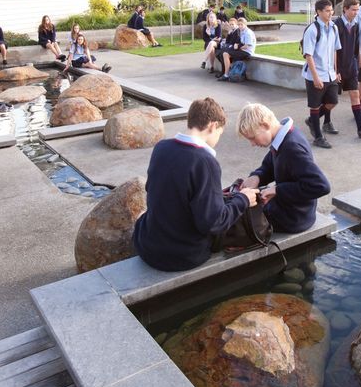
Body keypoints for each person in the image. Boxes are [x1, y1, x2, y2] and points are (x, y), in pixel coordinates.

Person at [132, 97, 259, 271]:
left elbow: (155, 190)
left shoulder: (161, 147)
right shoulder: (205, 162)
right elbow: (213, 223)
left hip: (147, 245)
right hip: (182, 256)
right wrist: (242, 200)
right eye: (219, 133)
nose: (218, 139)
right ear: (213, 126)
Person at [237, 103, 331, 233]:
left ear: (265, 125)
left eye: (253, 138)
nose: (252, 144)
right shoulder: (282, 136)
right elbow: (269, 165)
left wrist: (278, 190)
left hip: (294, 218)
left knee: (237, 218)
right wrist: (257, 177)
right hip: (291, 209)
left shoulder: (291, 147)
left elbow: (320, 185)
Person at [334, 0, 361, 138]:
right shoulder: (336, 25)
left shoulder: (356, 25)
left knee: (355, 95)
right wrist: (335, 70)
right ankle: (320, 120)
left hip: (351, 67)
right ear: (345, 9)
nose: (356, 13)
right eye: (353, 10)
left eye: (357, 10)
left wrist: (358, 58)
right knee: (330, 100)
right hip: (337, 68)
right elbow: (332, 50)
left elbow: (356, 46)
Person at [302, 0, 342, 149]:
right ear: (318, 12)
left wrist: (336, 71)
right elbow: (308, 55)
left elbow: (335, 51)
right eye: (327, 10)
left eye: (331, 10)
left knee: (332, 102)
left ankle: (313, 121)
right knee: (314, 106)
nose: (330, 13)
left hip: (330, 74)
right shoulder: (312, 30)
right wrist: (316, 77)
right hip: (315, 74)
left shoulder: (333, 28)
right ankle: (318, 137)